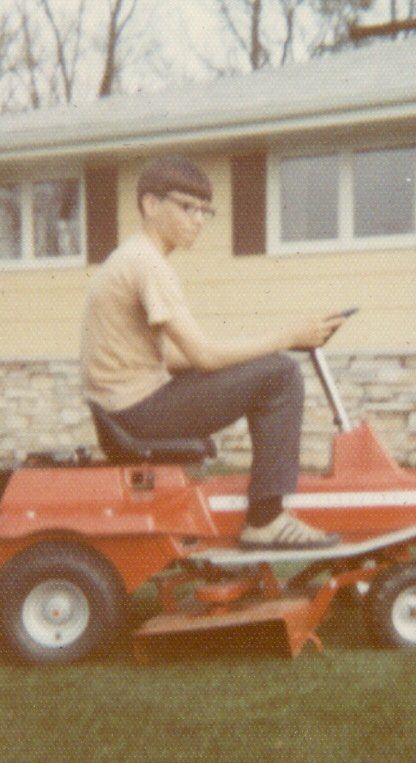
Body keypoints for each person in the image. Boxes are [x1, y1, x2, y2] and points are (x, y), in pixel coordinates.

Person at [80, 155, 346, 549]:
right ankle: (267, 519)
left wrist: (250, 358)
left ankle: (267, 514)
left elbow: (169, 358)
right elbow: (203, 356)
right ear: (151, 205)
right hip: (137, 414)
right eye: (188, 208)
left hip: (124, 410)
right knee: (282, 373)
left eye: (205, 211)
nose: (199, 220)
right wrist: (286, 337)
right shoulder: (147, 265)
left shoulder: (129, 259)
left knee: (266, 366)